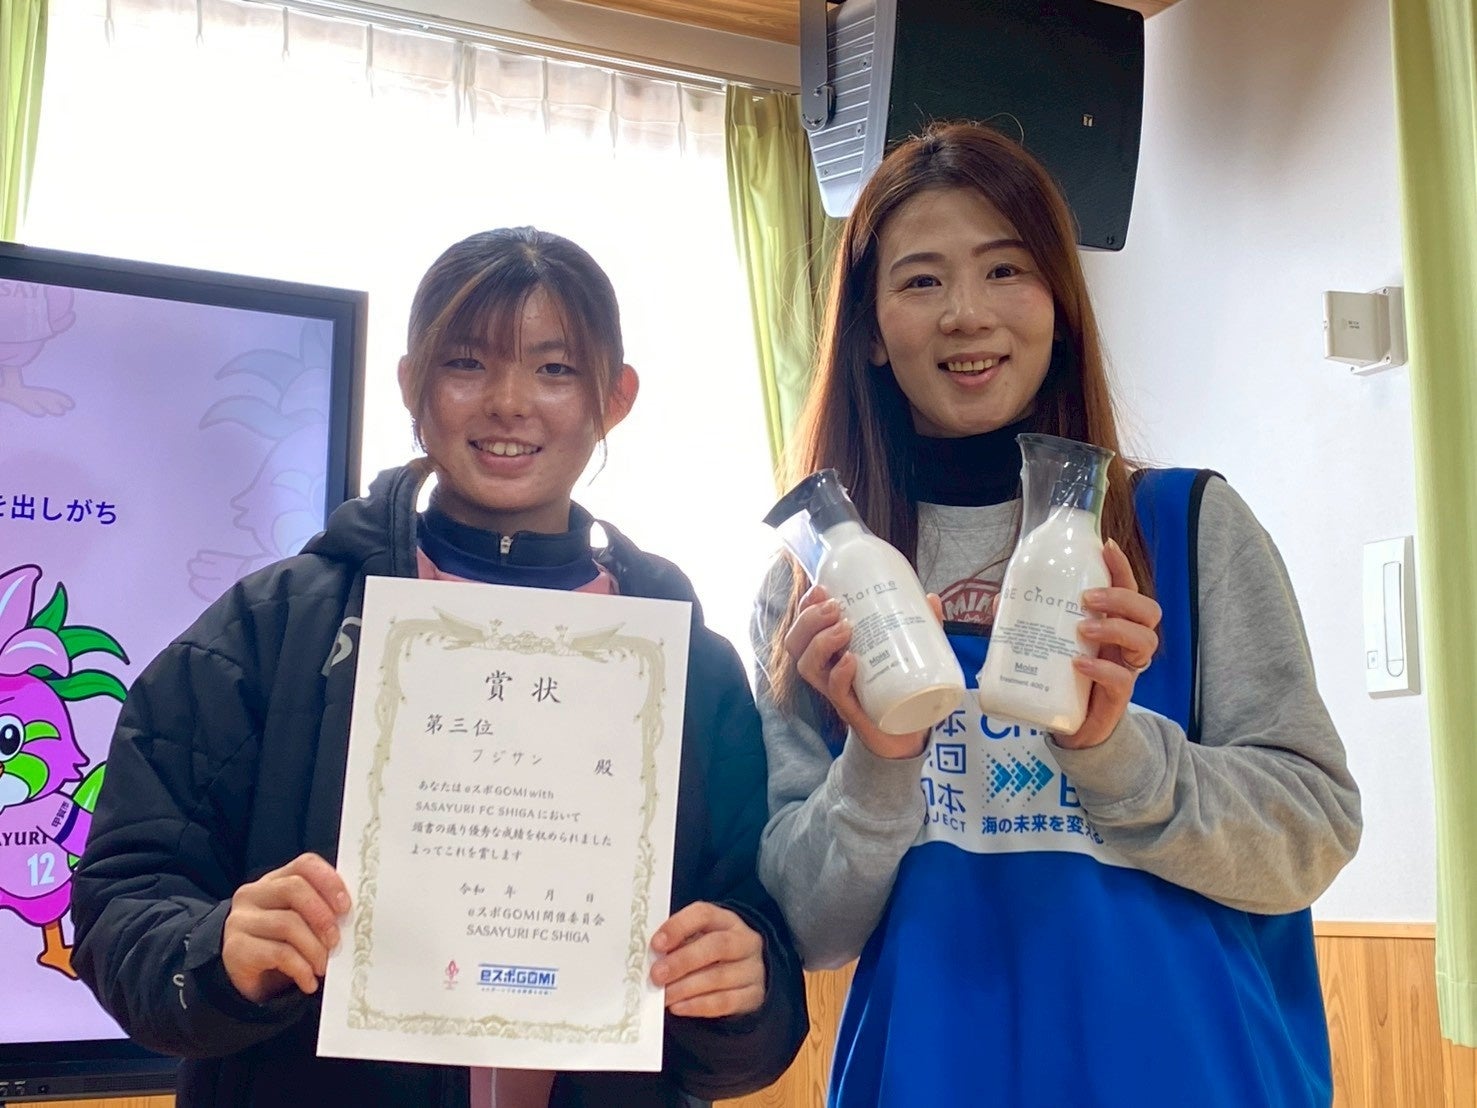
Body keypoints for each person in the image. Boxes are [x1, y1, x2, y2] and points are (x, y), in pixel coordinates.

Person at [72, 226, 807, 1107]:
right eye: (466, 364)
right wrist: (219, 952)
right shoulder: (273, 630)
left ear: (614, 397)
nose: (509, 403)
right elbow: (123, 900)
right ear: (411, 384)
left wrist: (742, 988)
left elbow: (759, 961)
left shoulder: (686, 664)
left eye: (555, 368)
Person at [753, 122, 1361, 1108]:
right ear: (868, 330)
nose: (966, 314)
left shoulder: (1185, 527)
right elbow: (808, 928)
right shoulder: (813, 591)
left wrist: (1114, 751)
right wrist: (878, 759)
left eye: (1005, 270)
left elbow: (1311, 834)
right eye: (920, 281)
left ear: (1060, 307)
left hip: (1192, 1075)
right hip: (929, 1078)